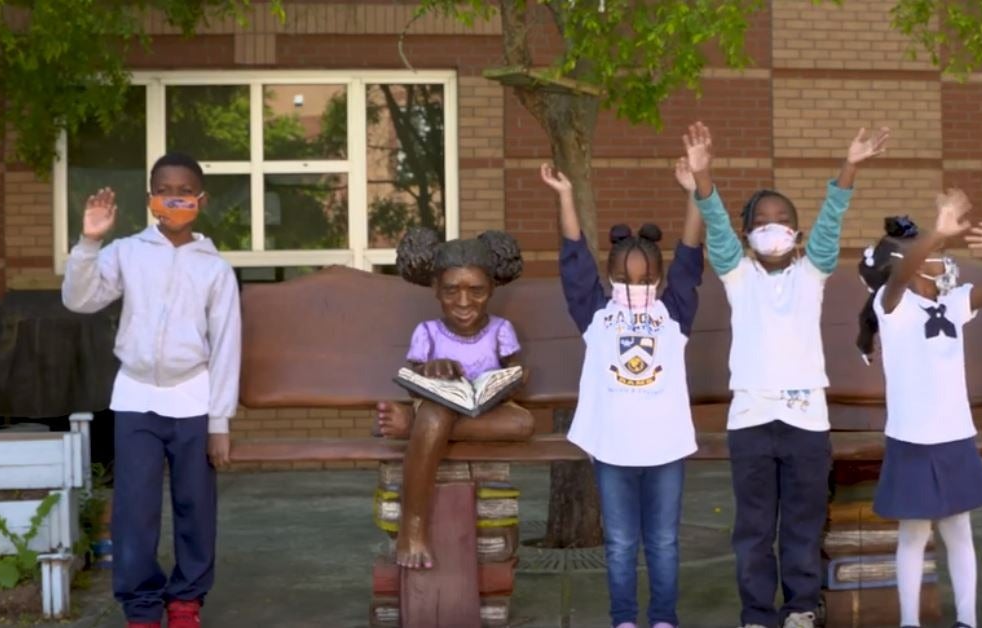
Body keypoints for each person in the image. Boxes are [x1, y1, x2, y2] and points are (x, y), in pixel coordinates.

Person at [685, 120, 889, 628]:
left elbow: (832, 219)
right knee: (753, 528)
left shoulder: (812, 271)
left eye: (782, 220)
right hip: (751, 420)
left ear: (796, 235)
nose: (771, 226)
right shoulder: (737, 273)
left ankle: (801, 608)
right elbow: (714, 221)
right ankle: (757, 613)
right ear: (748, 233)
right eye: (761, 220)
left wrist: (851, 166)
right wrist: (703, 176)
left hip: (806, 424)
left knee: (802, 523)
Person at [62, 153, 240, 628]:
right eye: (165, 189)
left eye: (185, 190)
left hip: (192, 399)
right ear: (150, 198)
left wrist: (219, 423)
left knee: (194, 506)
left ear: (201, 200)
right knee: (134, 510)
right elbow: (80, 299)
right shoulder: (126, 252)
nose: (175, 198)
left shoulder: (215, 269)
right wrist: (90, 241)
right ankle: (141, 605)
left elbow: (226, 347)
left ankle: (186, 600)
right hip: (136, 397)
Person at [541, 157, 704, 628]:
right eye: (625, 278)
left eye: (645, 277)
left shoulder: (674, 312)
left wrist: (693, 193)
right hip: (612, 447)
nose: (635, 285)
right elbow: (574, 260)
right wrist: (565, 196)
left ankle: (664, 618)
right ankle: (624, 619)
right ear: (610, 276)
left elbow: (691, 253)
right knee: (619, 542)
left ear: (659, 276)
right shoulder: (596, 312)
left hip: (666, 446)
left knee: (665, 541)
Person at [856, 190, 982, 628]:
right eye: (935, 254)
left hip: (955, 435)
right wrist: (936, 233)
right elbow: (901, 274)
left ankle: (967, 620)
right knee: (913, 534)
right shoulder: (891, 305)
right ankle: (909, 621)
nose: (942, 261)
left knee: (959, 531)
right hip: (912, 438)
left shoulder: (952, 303)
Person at [375, 228, 535, 569]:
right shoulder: (428, 332)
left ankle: (415, 429)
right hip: (436, 407)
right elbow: (411, 378)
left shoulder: (500, 330)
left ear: (491, 288)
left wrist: (516, 378)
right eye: (451, 291)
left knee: (523, 422)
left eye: (476, 291)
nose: (463, 303)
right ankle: (412, 526)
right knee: (435, 415)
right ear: (436, 289)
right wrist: (431, 369)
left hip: (488, 411)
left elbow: (514, 369)